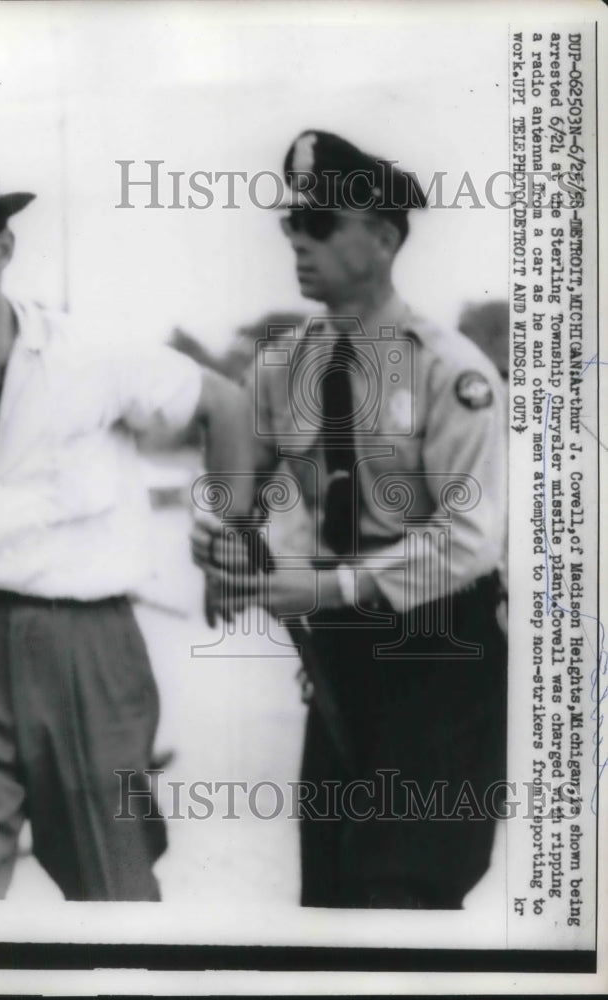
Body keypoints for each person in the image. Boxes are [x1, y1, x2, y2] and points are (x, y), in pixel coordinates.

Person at [0, 168, 254, 901]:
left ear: (1, 248)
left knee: (114, 891)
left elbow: (225, 406)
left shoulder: (89, 354)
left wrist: (224, 530)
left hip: (85, 650)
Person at [195, 130, 508, 909]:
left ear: (385, 237)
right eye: (291, 226)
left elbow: (468, 541)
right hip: (339, 661)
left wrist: (329, 588)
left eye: (322, 225)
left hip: (441, 656)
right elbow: (246, 495)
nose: (300, 242)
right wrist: (221, 545)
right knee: (330, 894)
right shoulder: (279, 370)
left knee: (404, 893)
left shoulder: (452, 373)